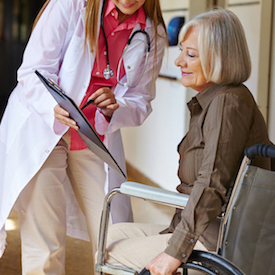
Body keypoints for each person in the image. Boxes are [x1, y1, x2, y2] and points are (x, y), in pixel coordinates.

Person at [102, 8, 273, 275]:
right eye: (181, 50)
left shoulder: (227, 102)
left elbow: (211, 185)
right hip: (202, 229)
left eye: (191, 55)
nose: (179, 61)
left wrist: (174, 252)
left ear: (220, 58)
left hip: (215, 241)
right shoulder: (215, 100)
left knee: (109, 251)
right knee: (111, 235)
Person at [0, 0, 167, 274]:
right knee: (44, 245)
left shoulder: (153, 32)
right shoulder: (71, 5)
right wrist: (50, 104)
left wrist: (117, 107)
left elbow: (141, 101)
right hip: (44, 126)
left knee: (114, 234)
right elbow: (32, 71)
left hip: (95, 135)